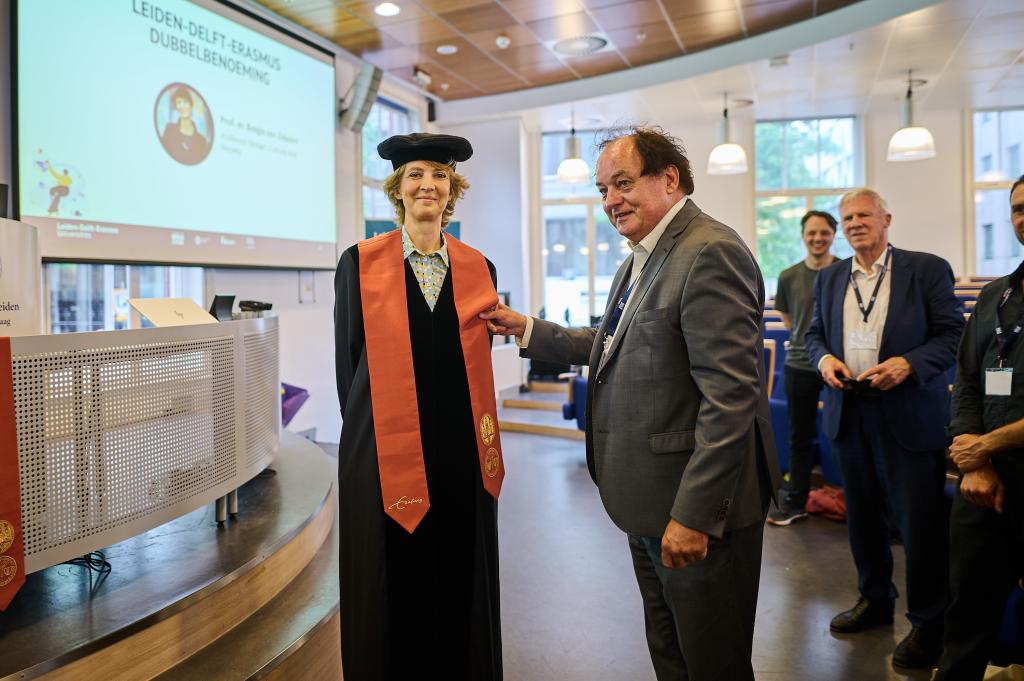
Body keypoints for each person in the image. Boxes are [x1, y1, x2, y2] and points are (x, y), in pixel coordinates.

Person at [482, 126, 780, 681]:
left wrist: (693, 517)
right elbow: (613, 341)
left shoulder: (708, 251)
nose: (611, 201)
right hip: (648, 502)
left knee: (712, 661)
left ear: (670, 179)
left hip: (694, 511)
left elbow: (730, 398)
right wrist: (528, 329)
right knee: (672, 653)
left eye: (623, 183)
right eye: (602, 190)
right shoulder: (641, 257)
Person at [334, 133, 503, 681]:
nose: (427, 184)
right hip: (387, 448)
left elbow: (479, 362)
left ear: (452, 188)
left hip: (459, 450)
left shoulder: (481, 267)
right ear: (398, 189)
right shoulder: (359, 264)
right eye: (416, 175)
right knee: (393, 576)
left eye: (438, 174)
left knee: (458, 567)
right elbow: (349, 363)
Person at [805, 187, 965, 669]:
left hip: (908, 411)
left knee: (919, 526)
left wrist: (909, 365)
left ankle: (927, 623)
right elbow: (813, 335)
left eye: (863, 215)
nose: (855, 223)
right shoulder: (832, 277)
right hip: (849, 410)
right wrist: (825, 359)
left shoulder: (927, 269)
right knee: (863, 519)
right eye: (847, 217)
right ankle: (875, 599)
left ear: (886, 219)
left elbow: (953, 334)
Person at [935, 175, 1024, 680]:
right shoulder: (997, 294)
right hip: (984, 481)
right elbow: (968, 377)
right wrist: (979, 461)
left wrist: (983, 445)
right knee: (968, 606)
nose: (1022, 215)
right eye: (1016, 208)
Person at [768, 210, 839, 526]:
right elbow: (788, 317)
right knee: (799, 436)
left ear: (832, 235)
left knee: (845, 434)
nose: (817, 238)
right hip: (800, 363)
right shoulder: (788, 275)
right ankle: (795, 501)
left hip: (840, 365)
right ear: (804, 236)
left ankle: (851, 498)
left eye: (824, 232)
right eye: (812, 233)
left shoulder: (844, 270)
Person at [161, 86, 210, 165]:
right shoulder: (169, 129)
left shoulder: (201, 141)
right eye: (179, 103)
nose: (182, 106)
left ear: (191, 105)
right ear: (176, 108)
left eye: (185, 102)